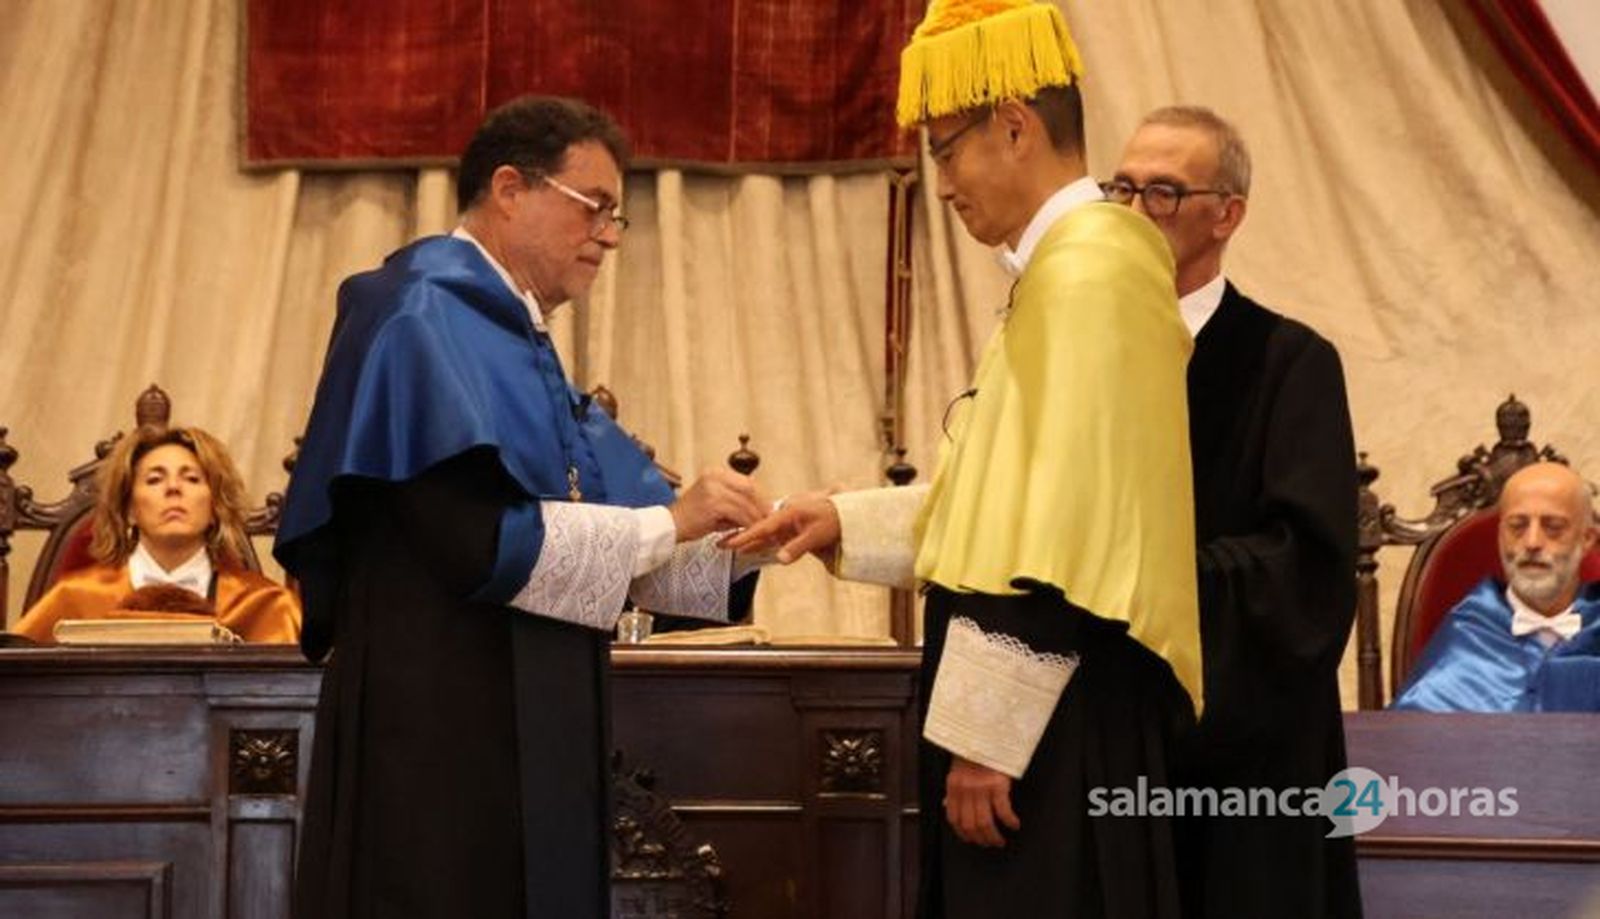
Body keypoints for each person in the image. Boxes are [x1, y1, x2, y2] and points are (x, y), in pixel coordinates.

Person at [729, 3, 1202, 916]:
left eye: (945, 148)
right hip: (1047, 709)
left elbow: (1069, 528)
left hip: (1050, 724)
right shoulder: (1073, 266)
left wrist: (987, 736)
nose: (937, 180)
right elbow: (1006, 499)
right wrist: (844, 520)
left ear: (1015, 126)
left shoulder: (1090, 271)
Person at [274, 96, 768, 919]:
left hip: (533, 706)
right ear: (510, 188)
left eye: (619, 214)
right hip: (438, 725)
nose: (610, 234)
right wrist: (677, 523)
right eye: (595, 206)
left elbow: (622, 522)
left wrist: (754, 539)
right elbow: (477, 546)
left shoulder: (517, 335)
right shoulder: (416, 315)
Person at [1108, 107, 1363, 919]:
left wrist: (1137, 581)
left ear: (1228, 214)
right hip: (1109, 735)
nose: (1133, 211)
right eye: (1121, 188)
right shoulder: (1082, 352)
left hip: (1250, 765)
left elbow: (1308, 567)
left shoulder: (1290, 362)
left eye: (1163, 192)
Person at [14, 425, 299, 644]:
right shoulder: (74, 600)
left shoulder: (265, 606)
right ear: (129, 509)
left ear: (215, 506)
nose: (173, 488)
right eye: (154, 479)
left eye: (192, 478)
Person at [1392, 462, 1600, 711]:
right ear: (1501, 535)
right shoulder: (1466, 635)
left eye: (1552, 527)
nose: (1532, 542)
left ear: (1586, 539)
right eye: (1517, 526)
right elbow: (1410, 740)